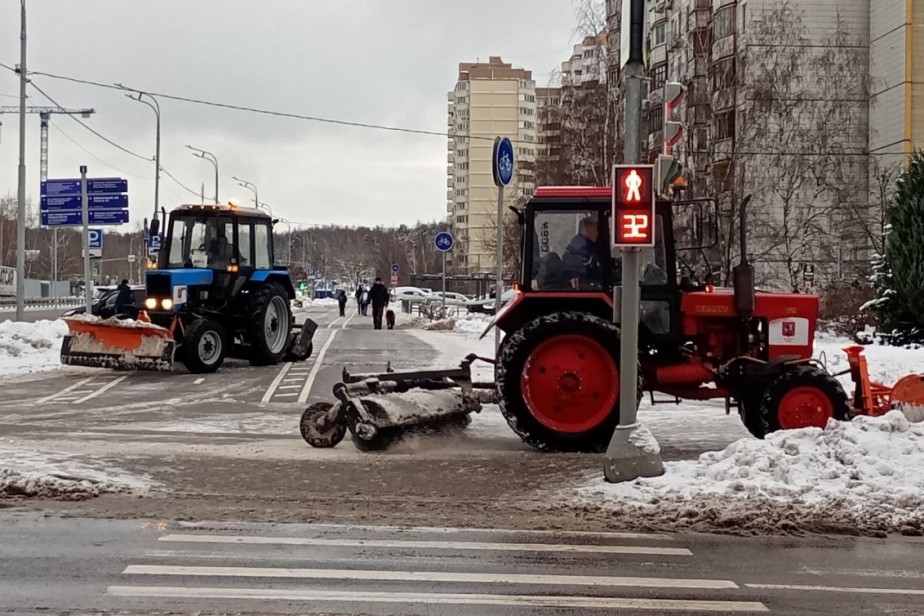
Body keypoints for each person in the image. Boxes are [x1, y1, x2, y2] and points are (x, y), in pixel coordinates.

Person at [562, 215, 601, 287]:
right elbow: (593, 269)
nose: (599, 233)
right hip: (581, 282)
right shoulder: (583, 247)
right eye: (597, 228)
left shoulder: (584, 244)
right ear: (588, 229)